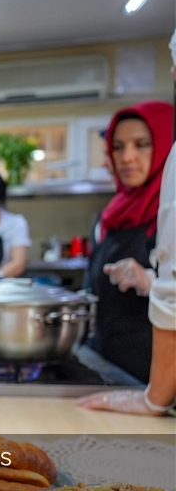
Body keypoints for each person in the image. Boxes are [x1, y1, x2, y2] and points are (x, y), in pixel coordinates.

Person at [82, 100, 174, 385]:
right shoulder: (109, 216)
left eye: (142, 144)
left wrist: (150, 282)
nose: (127, 157)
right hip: (110, 368)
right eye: (118, 147)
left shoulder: (171, 213)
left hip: (158, 382)